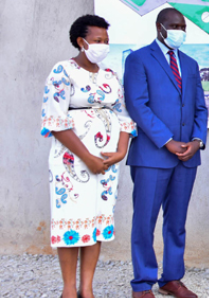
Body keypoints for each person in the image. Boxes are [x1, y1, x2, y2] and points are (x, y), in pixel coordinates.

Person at [42, 15, 136, 298]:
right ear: (81, 42)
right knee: (72, 220)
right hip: (72, 163)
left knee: (96, 221)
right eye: (97, 41)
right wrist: (88, 157)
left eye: (106, 41)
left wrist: (120, 151)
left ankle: (88, 288)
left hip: (107, 164)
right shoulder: (62, 72)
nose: (103, 46)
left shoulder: (110, 76)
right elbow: (55, 121)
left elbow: (123, 116)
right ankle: (69, 289)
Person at [123, 8, 208, 298]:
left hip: (187, 156)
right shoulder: (138, 59)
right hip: (152, 155)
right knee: (144, 221)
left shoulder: (191, 63)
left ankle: (172, 278)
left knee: (177, 222)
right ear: (159, 27)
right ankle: (142, 282)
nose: (179, 30)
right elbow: (137, 105)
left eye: (183, 25)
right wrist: (167, 141)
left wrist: (197, 140)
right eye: (174, 25)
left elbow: (200, 107)